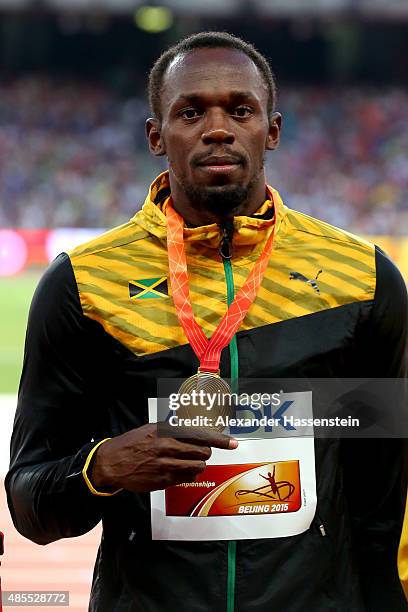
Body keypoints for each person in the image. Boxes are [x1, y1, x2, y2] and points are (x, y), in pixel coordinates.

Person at [5, 31, 408, 612]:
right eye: (190, 112)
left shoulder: (363, 279)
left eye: (240, 110)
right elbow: (30, 504)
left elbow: (381, 498)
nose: (217, 128)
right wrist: (103, 468)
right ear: (155, 135)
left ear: (271, 129)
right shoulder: (81, 285)